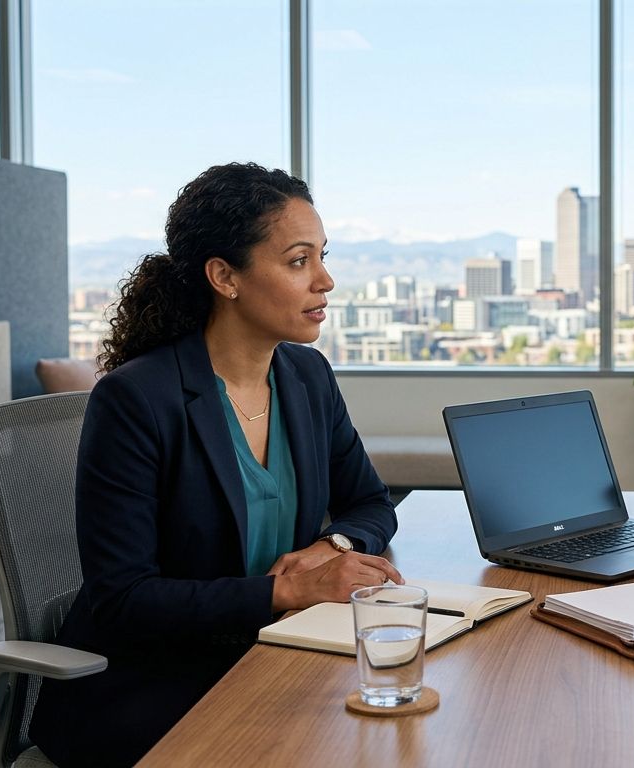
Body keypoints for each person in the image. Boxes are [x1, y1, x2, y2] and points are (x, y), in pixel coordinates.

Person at [30, 163, 402, 767]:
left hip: (278, 654)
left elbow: (371, 502)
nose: (326, 281)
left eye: (322, 257)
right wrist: (284, 591)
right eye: (299, 260)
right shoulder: (136, 400)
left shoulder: (306, 378)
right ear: (224, 276)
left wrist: (332, 544)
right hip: (156, 683)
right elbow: (125, 598)